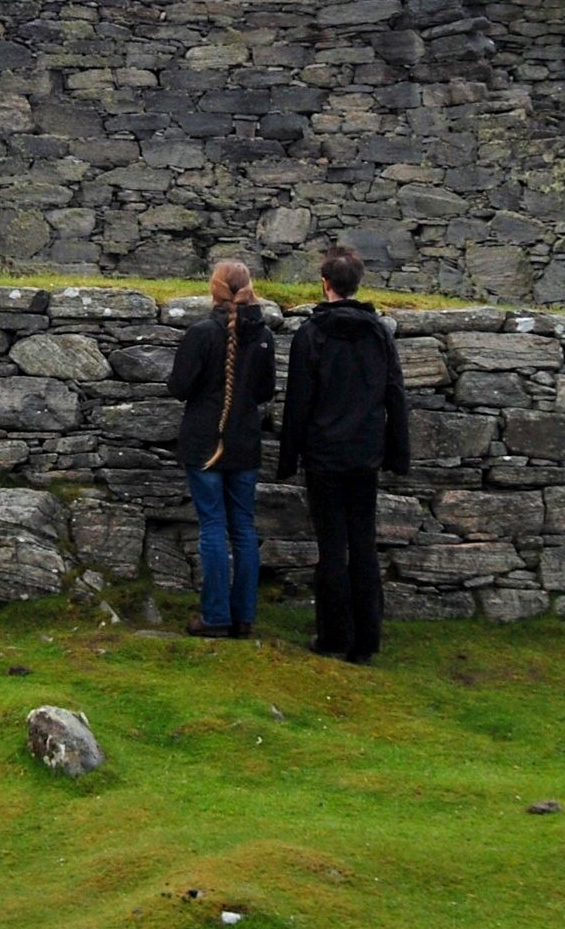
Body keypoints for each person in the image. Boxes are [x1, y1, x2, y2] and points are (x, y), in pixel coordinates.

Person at [276, 245, 410, 664]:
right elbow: (395, 395)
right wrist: (397, 452)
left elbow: (298, 400)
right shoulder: (378, 334)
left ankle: (334, 634)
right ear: (357, 284)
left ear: (325, 284)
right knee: (363, 543)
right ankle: (366, 639)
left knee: (333, 546)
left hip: (325, 453)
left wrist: (288, 458)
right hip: (365, 452)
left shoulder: (313, 335)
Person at [168, 258, 278, 639]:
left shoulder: (202, 333)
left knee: (213, 526)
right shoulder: (263, 335)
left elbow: (179, 387)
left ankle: (216, 616)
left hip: (205, 442)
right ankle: (243, 616)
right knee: (243, 528)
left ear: (214, 288)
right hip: (244, 441)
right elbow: (264, 391)